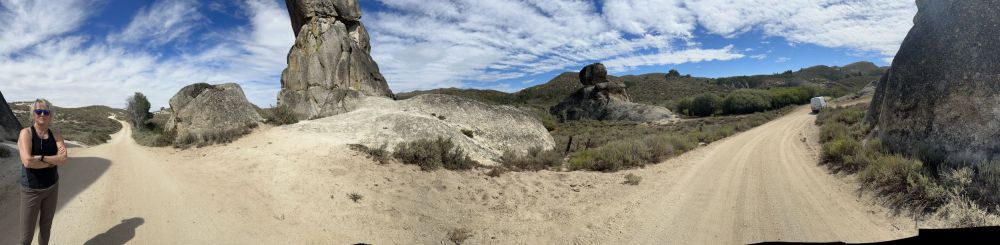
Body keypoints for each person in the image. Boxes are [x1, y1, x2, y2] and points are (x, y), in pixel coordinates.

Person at [17, 99, 69, 245]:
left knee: (46, 228)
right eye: (38, 111)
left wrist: (41, 158)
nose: (42, 114)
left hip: (52, 187)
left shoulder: (56, 134)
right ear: (33, 114)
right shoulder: (26, 133)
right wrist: (53, 161)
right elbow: (27, 162)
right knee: (26, 237)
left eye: (46, 112)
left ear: (50, 115)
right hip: (31, 190)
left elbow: (64, 160)